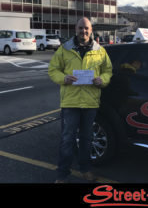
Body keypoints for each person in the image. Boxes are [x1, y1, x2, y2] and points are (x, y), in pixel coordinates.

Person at [48, 17, 113, 183]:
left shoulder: (100, 50)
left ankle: (85, 169)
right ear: (75, 29)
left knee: (86, 139)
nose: (83, 31)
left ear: (91, 30)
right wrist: (64, 78)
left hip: (90, 102)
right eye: (80, 28)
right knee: (67, 140)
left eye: (86, 28)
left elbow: (108, 70)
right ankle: (62, 174)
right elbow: (53, 70)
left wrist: (103, 80)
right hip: (71, 102)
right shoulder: (65, 49)